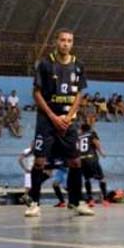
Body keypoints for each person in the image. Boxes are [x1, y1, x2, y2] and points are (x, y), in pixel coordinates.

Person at [24, 28, 92, 218]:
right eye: (63, 40)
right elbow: (36, 93)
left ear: (72, 43)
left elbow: (79, 94)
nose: (66, 43)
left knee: (75, 161)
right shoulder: (45, 64)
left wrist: (69, 116)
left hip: (68, 121)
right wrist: (53, 117)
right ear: (56, 41)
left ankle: (76, 202)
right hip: (47, 120)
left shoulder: (78, 65)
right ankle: (34, 203)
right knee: (39, 161)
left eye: (69, 40)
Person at [78, 122, 108, 207]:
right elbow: (96, 142)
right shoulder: (91, 134)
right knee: (102, 179)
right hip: (91, 159)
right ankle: (105, 199)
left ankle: (90, 200)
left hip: (82, 159)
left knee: (87, 179)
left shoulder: (79, 136)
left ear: (82, 129)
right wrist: (101, 152)